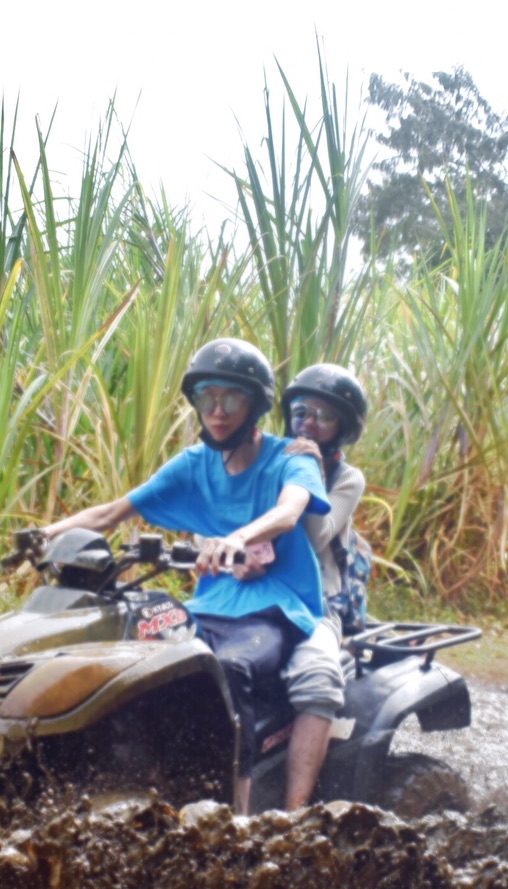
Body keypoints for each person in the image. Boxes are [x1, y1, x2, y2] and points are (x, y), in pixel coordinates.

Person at [38, 338, 330, 814]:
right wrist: (45, 533)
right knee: (133, 652)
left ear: (255, 405)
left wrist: (235, 537)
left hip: (275, 607)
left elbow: (289, 511)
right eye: (206, 398)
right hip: (210, 604)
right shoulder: (195, 465)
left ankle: (237, 815)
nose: (217, 411)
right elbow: (112, 512)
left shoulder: (289, 457)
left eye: (231, 399)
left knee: (228, 670)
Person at [277, 363, 372, 807]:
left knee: (318, 678)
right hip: (253, 587)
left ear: (342, 429)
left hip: (316, 595)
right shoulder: (267, 457)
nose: (308, 424)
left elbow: (316, 535)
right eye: (301, 412)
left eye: (323, 416)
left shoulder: (346, 478)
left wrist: (310, 473)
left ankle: (295, 814)